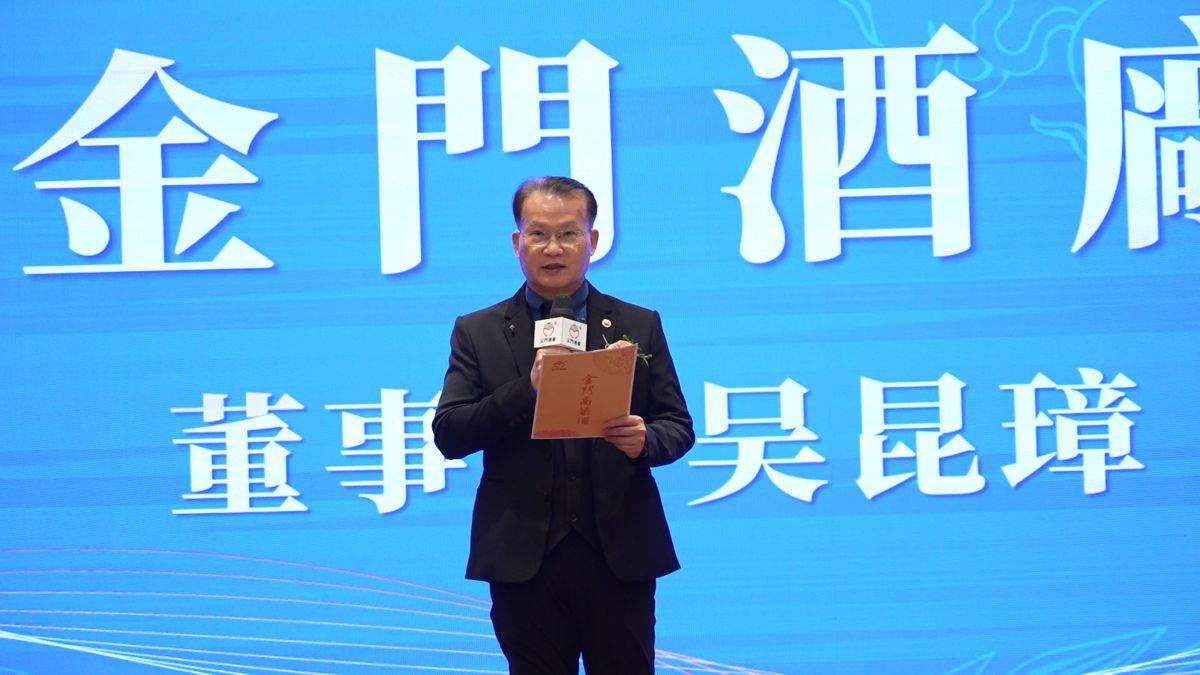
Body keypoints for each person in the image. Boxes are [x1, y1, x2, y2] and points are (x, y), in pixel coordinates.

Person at [433, 176, 695, 674]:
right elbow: (450, 433)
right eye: (538, 234)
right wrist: (528, 387)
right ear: (517, 242)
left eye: (568, 234)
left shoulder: (638, 324)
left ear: (592, 240)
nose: (553, 248)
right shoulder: (479, 330)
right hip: (523, 559)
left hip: (618, 554)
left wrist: (645, 440)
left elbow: (677, 426)